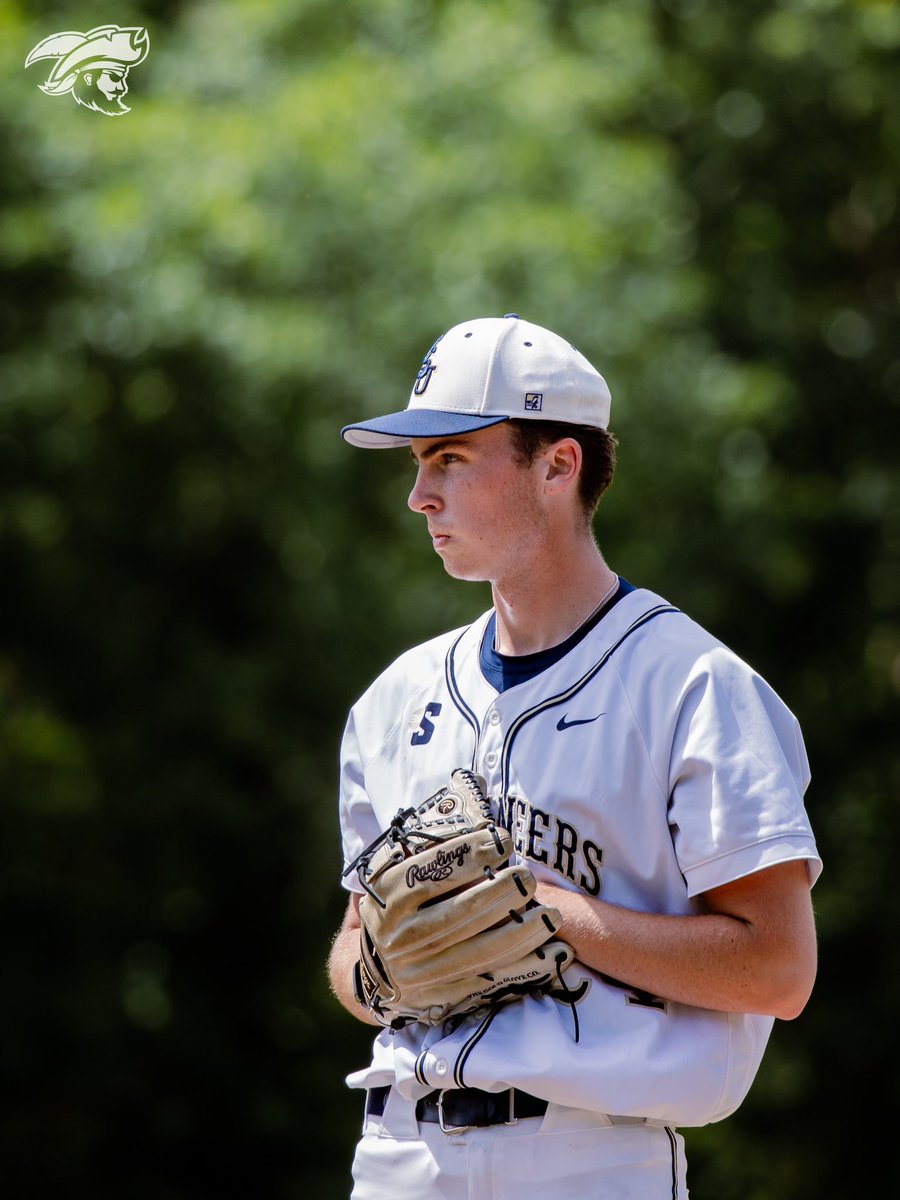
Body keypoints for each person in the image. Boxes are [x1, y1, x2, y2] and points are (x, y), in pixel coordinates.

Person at [327, 314, 820, 1199]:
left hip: (590, 1155)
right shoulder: (394, 699)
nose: (420, 496)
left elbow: (779, 970)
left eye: (451, 458)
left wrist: (546, 915)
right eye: (418, 464)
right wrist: (391, 961)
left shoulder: (693, 684)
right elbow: (353, 960)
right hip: (402, 1152)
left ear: (557, 465)